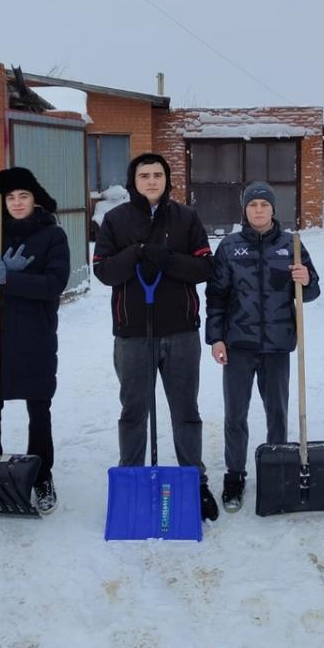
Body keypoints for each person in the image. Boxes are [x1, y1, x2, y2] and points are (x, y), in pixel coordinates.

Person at [92, 152, 220, 522]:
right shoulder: (115, 220)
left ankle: (193, 481)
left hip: (180, 332)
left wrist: (167, 259)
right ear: (133, 181)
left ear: (167, 179)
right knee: (133, 412)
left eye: (158, 175)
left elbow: (205, 267)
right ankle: (131, 479)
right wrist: (135, 253)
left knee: (186, 412)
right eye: (144, 175)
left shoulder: (186, 217)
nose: (151, 181)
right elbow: (104, 272)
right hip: (133, 334)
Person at [205, 181, 319, 512]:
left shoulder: (291, 245)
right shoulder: (229, 247)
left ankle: (277, 469)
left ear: (273, 209)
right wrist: (216, 337)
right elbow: (216, 296)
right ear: (245, 209)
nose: (258, 210)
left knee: (278, 413)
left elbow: (311, 294)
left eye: (264, 205)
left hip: (277, 346)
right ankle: (234, 476)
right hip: (239, 345)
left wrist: (306, 280)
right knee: (235, 414)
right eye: (252, 205)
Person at [0, 167, 70, 514]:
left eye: (24, 196)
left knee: (39, 408)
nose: (18, 203)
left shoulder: (53, 235)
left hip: (36, 333)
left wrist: (8, 278)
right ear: (2, 201)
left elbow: (54, 284)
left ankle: (41, 475)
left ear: (35, 198)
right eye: (11, 197)